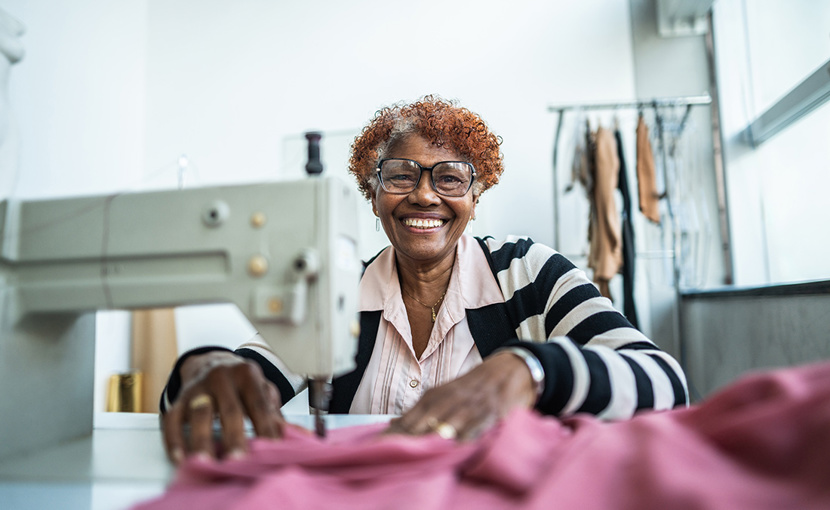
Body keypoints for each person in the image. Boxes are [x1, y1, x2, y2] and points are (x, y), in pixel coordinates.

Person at [160, 96, 688, 464]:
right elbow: (245, 379)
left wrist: (531, 371)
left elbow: (666, 383)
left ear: (475, 198)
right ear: (373, 195)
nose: (424, 195)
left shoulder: (531, 275)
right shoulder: (337, 295)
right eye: (400, 175)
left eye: (450, 177)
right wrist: (206, 368)